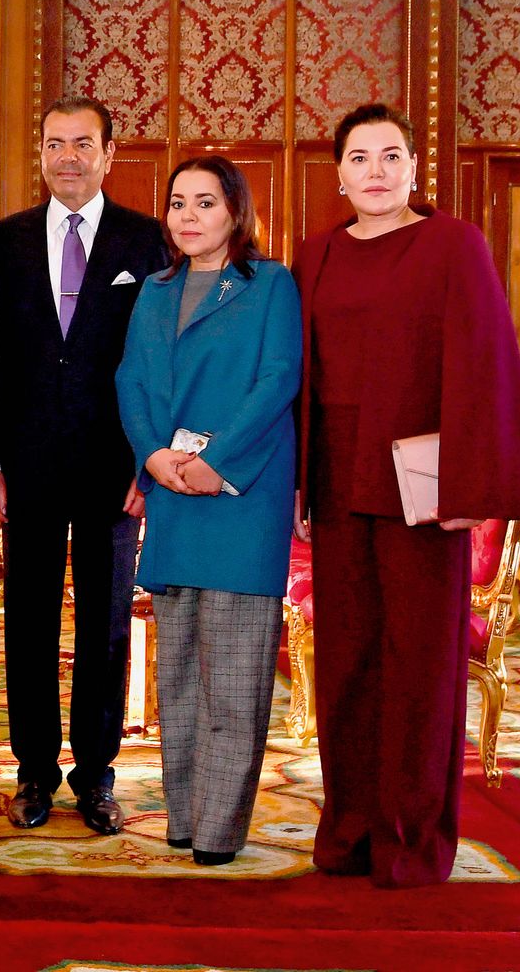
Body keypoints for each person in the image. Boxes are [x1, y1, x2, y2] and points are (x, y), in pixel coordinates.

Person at [295, 103, 520, 888]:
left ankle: (410, 838)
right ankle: (348, 829)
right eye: (360, 158)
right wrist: (301, 481)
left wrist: (475, 487)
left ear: (414, 168)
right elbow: (298, 375)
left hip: (424, 488)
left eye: (391, 156)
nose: (376, 171)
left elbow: (486, 363)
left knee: (420, 664)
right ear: (338, 172)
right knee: (347, 662)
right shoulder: (316, 255)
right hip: (339, 483)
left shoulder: (454, 244)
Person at [0, 96, 167, 836]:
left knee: (106, 622)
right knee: (27, 621)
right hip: (24, 464)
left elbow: (160, 362)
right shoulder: (2, 243)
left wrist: (148, 462)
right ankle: (32, 772)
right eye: (55, 143)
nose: (67, 158)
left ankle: (95, 775)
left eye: (83, 144)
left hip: (113, 469)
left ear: (109, 154)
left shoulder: (148, 243)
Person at [114, 156, 301, 866]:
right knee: (180, 681)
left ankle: (219, 833)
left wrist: (212, 463)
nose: (188, 216)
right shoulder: (156, 290)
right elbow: (131, 377)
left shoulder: (269, 284)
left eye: (205, 203)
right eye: (177, 204)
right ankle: (185, 819)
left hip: (237, 498)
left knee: (233, 680)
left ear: (235, 213)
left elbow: (278, 380)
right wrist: (153, 458)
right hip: (173, 497)